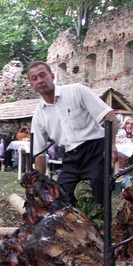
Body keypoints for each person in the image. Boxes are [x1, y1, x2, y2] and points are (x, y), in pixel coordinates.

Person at [27, 61, 118, 206]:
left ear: (52, 76)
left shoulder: (76, 91)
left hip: (95, 150)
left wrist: (111, 145)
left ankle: (101, 227)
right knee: (61, 198)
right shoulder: (39, 115)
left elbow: (109, 116)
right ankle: (73, 227)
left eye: (42, 75)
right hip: (70, 157)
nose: (40, 80)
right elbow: (39, 154)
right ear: (31, 84)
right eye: (34, 78)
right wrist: (40, 185)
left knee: (98, 196)